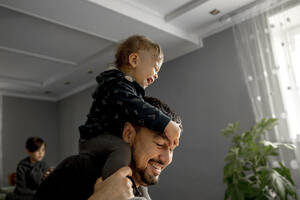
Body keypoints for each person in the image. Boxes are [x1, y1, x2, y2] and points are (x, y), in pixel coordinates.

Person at [34, 96, 183, 200]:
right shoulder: (79, 168)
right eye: (159, 144)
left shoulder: (139, 189)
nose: (167, 159)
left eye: (171, 149)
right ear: (128, 133)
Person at [79, 35, 181, 180]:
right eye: (155, 68)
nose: (156, 76)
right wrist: (166, 123)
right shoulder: (115, 84)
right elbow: (135, 105)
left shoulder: (127, 88)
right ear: (134, 60)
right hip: (92, 139)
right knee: (122, 150)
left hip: (105, 139)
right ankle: (113, 185)